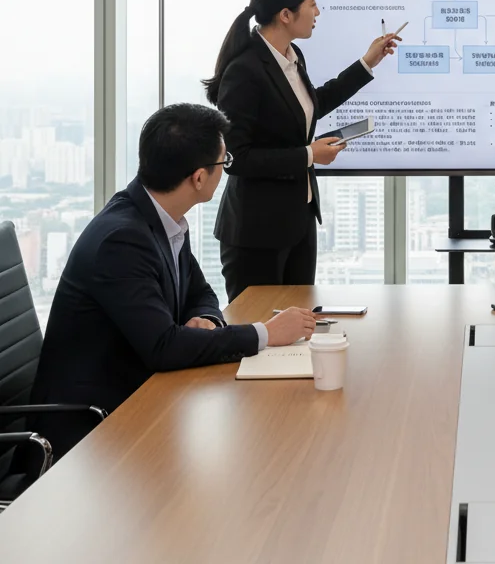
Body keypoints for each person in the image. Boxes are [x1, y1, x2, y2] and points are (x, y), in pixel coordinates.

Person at [30, 103, 317, 458]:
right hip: (91, 434)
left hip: (138, 400)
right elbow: (164, 347)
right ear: (199, 177)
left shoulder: (161, 217)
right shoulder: (122, 240)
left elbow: (200, 291)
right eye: (223, 163)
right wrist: (267, 333)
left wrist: (207, 320)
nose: (224, 171)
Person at [205, 0, 400, 301]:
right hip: (257, 234)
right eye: (312, 3)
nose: (318, 12)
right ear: (285, 14)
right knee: (261, 337)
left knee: (297, 329)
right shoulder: (245, 71)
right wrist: (309, 155)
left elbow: (312, 104)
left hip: (297, 224)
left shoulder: (292, 56)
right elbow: (237, 158)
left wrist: (367, 62)